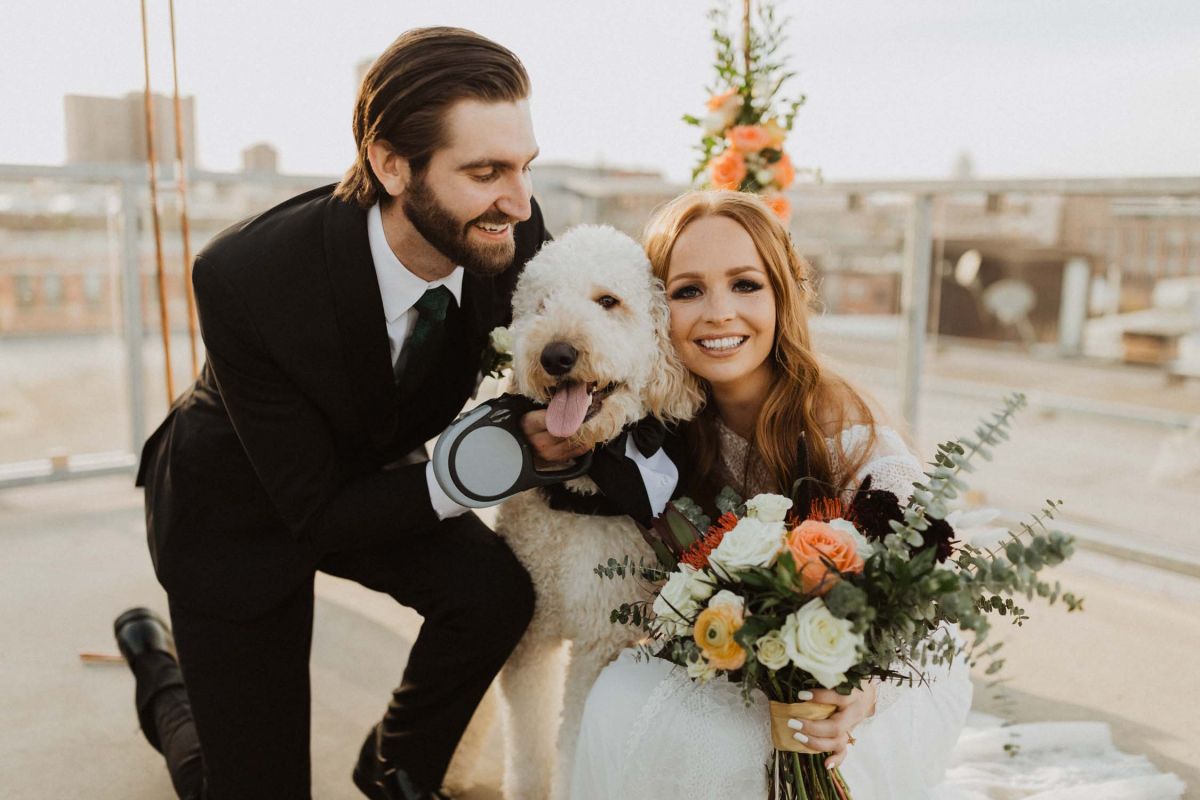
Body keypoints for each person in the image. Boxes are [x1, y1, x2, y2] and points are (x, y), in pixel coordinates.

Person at [113, 27, 658, 800]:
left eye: (523, 166)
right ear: (391, 164)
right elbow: (316, 510)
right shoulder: (243, 277)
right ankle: (159, 673)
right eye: (485, 171)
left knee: (494, 593)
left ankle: (394, 769)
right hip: (236, 506)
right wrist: (480, 472)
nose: (518, 200)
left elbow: (550, 366)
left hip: (375, 474)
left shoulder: (512, 234)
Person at [569, 190, 974, 799]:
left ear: (783, 295)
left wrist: (859, 688)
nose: (718, 313)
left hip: (871, 662)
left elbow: (921, 590)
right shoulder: (657, 425)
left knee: (756, 743)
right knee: (622, 700)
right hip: (738, 658)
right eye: (688, 291)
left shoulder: (839, 426)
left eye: (745, 285)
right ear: (656, 312)